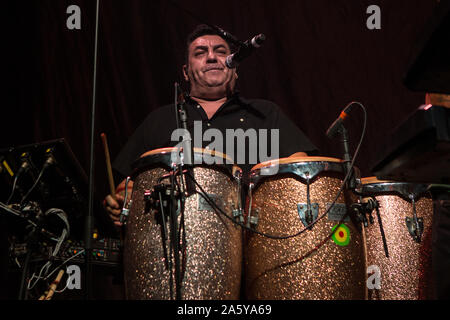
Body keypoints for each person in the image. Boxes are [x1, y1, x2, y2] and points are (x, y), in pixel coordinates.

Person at [103, 24, 318, 226]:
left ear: (235, 68)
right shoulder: (159, 120)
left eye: (221, 51)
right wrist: (123, 199)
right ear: (186, 72)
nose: (212, 57)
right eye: (200, 53)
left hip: (254, 244)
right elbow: (126, 186)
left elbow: (301, 172)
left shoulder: (265, 113)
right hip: (171, 247)